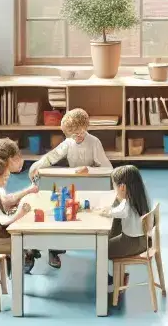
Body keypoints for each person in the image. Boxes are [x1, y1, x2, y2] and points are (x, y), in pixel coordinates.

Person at [29, 108, 113, 268]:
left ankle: (97, 243)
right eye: (73, 134)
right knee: (60, 211)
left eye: (80, 132)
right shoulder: (69, 143)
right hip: (75, 184)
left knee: (89, 215)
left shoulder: (94, 142)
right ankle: (54, 247)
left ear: (86, 127)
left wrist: (90, 170)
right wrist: (36, 166)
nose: (78, 136)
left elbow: (108, 169)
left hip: (92, 185)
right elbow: (52, 156)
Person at [104, 165, 151, 292]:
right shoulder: (138, 197)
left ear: (123, 187)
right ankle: (120, 275)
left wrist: (105, 212)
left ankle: (112, 278)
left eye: (115, 187)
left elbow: (120, 211)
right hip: (143, 240)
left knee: (102, 248)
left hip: (132, 242)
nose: (115, 190)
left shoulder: (127, 203)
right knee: (112, 235)